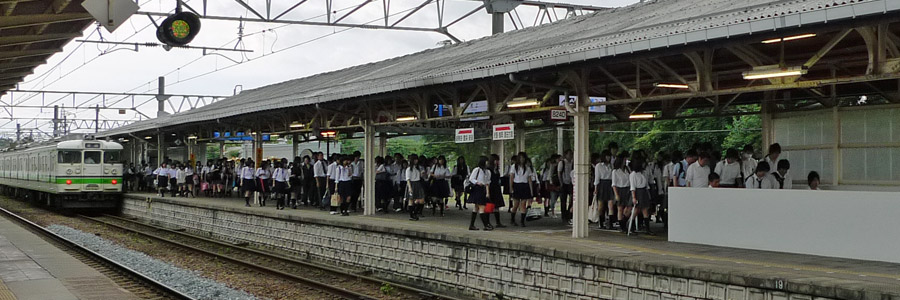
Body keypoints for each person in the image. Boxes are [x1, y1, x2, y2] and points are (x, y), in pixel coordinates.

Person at [467, 156, 493, 231]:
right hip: (477, 189)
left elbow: (488, 182)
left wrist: (487, 192)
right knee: (482, 207)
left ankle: (472, 225)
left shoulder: (488, 172)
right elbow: (471, 178)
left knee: (476, 207)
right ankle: (486, 225)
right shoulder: (477, 170)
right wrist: (477, 182)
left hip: (483, 189)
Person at [508, 153, 534, 227]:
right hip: (517, 185)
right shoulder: (514, 167)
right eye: (520, 158)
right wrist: (511, 187)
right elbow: (511, 178)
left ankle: (522, 221)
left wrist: (531, 190)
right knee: (516, 204)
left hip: (525, 186)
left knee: (523, 204)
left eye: (523, 158)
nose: (522, 160)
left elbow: (529, 180)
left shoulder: (527, 168)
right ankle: (512, 219)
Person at [630, 159, 653, 235]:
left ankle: (648, 229)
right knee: (636, 210)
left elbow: (646, 184)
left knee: (645, 210)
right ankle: (631, 227)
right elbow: (633, 187)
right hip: (638, 192)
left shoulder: (644, 172)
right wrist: (634, 197)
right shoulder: (633, 174)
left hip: (644, 191)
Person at [611, 154, 631, 233]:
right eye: (624, 160)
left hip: (628, 189)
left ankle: (624, 221)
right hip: (619, 189)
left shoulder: (628, 169)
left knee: (629, 207)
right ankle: (622, 226)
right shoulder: (615, 171)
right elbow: (614, 184)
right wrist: (616, 194)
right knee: (620, 208)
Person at [594, 150, 614, 229]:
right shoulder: (599, 166)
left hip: (610, 184)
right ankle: (601, 222)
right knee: (601, 205)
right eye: (607, 156)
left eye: (609, 156)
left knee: (611, 204)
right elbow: (597, 178)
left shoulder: (611, 165)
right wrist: (596, 188)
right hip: (602, 184)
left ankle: (610, 223)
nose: (608, 158)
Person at [406, 154, 426, 221]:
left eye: (417, 159)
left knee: (421, 200)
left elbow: (421, 176)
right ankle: (412, 215)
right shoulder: (409, 169)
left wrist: (422, 174)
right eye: (414, 159)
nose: (416, 161)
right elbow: (408, 179)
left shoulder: (418, 168)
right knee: (411, 200)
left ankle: (415, 212)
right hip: (412, 183)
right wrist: (410, 188)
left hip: (418, 183)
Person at [488, 154, 506, 227]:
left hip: (497, 188)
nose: (498, 162)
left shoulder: (496, 170)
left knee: (497, 206)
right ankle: (488, 222)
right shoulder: (489, 170)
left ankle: (498, 222)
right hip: (491, 188)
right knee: (489, 205)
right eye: (496, 160)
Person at [557, 150, 574, 222]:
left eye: (571, 154)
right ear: (566, 155)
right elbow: (559, 173)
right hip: (564, 183)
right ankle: (564, 215)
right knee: (563, 200)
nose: (571, 156)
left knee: (571, 199)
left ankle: (569, 213)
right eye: (569, 154)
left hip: (571, 183)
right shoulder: (562, 162)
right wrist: (561, 182)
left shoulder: (573, 162)